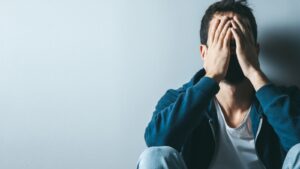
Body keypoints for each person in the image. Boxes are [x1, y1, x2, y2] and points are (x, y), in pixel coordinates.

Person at [136, 0, 300, 169]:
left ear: (255, 51)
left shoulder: (287, 100)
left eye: (238, 41)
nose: (230, 51)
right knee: (153, 156)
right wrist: (212, 75)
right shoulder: (177, 100)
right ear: (204, 52)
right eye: (220, 42)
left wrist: (253, 72)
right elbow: (157, 142)